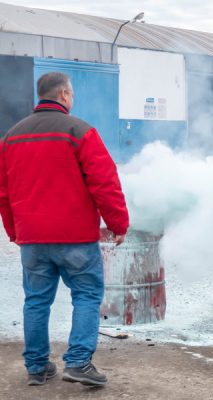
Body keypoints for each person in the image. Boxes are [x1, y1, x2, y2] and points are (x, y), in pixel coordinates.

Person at [0, 72, 129, 386]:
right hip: (74, 238)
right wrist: (118, 224)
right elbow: (105, 182)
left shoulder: (11, 137)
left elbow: (3, 192)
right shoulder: (79, 131)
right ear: (64, 94)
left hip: (32, 239)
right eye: (71, 94)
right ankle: (79, 363)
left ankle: (37, 368)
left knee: (36, 300)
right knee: (86, 294)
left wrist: (15, 232)